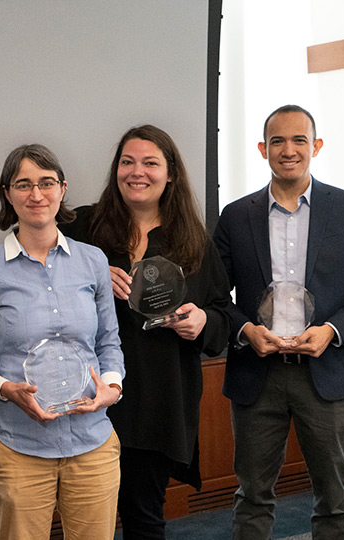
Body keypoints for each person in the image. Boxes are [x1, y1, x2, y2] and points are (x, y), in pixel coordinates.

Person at [213, 105, 344, 540]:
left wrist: (332, 332)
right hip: (257, 374)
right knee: (252, 497)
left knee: (333, 500)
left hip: (329, 372)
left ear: (316, 146)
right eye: (277, 141)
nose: (288, 150)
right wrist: (246, 331)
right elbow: (215, 297)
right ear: (263, 149)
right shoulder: (236, 215)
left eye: (299, 140)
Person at [60, 125, 232, 539]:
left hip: (158, 400)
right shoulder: (81, 229)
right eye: (127, 162)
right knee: (84, 520)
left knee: (143, 517)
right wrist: (89, 276)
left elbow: (223, 313)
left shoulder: (192, 241)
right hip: (88, 395)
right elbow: (40, 282)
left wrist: (203, 321)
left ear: (170, 174)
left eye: (150, 163)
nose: (137, 172)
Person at [0, 144, 125, 540]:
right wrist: (5, 389)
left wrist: (112, 388)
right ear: (8, 193)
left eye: (46, 183)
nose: (36, 195)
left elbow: (109, 342)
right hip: (20, 448)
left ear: (62, 189)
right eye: (23, 184)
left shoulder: (93, 261)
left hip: (93, 443)